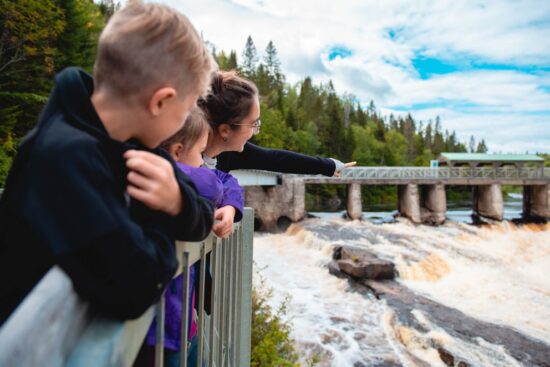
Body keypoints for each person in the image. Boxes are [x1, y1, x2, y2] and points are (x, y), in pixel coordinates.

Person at [0, 2, 217, 325]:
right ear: (160, 101)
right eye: (186, 110)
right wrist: (161, 221)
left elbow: (202, 213)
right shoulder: (62, 159)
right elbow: (137, 285)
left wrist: (175, 202)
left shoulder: (123, 142)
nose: (184, 120)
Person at [138, 109, 243, 366]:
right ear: (176, 152)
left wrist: (230, 207)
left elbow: (225, 179)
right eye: (199, 154)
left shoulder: (145, 169)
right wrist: (227, 200)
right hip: (166, 328)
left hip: (175, 319)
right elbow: (213, 183)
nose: (202, 163)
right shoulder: (174, 176)